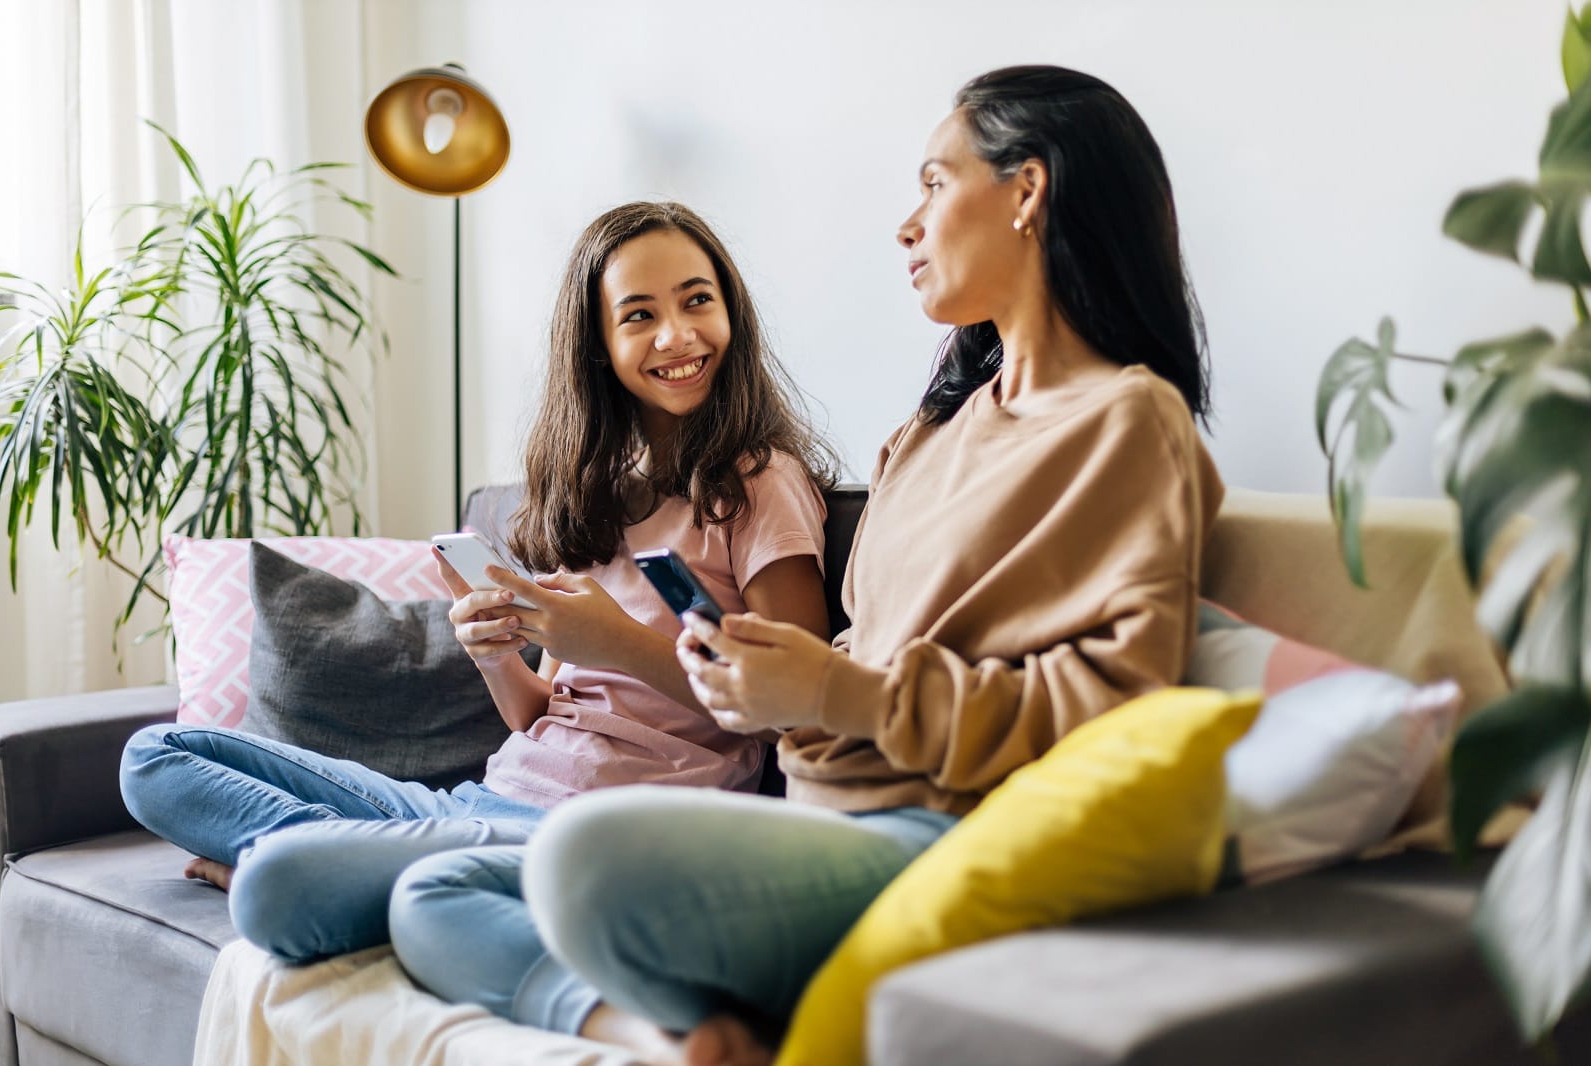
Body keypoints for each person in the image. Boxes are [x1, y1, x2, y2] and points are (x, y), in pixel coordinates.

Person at [396, 64, 1225, 1066]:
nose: (906, 225)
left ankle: (678, 1013)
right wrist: (766, 679)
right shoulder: (926, 437)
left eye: (931, 182)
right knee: (434, 895)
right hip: (824, 811)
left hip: (933, 828)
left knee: (571, 861)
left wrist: (837, 689)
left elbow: (1116, 707)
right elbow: (849, 659)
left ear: (1027, 189)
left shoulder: (1127, 419)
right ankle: (689, 1035)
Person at [117, 200, 841, 971]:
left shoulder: (760, 482)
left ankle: (325, 867)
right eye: (639, 315)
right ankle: (353, 863)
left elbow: (794, 716)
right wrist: (497, 655)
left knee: (273, 891)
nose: (676, 335)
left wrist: (617, 643)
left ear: (731, 310)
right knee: (154, 757)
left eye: (698, 300)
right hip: (482, 802)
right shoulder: (598, 495)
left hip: (595, 832)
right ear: (598, 346)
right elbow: (535, 718)